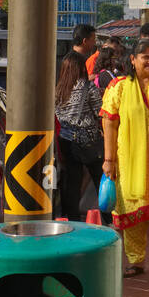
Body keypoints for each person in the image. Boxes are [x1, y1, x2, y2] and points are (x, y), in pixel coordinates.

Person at [100, 40, 149, 277]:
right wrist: (109, 160)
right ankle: (136, 261)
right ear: (132, 60)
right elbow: (110, 124)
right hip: (129, 161)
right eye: (145, 57)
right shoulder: (119, 87)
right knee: (133, 213)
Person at [55, 51, 104, 222]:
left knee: (72, 181)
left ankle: (72, 217)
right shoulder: (89, 87)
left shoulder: (59, 89)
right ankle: (107, 217)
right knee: (99, 178)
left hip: (66, 141)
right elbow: (100, 112)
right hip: (88, 140)